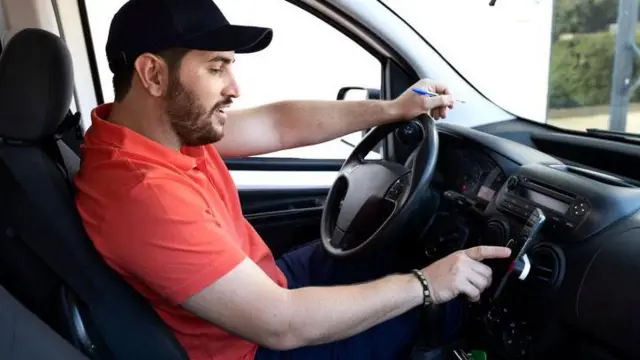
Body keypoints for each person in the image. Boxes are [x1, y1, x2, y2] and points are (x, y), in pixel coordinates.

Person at [74, 0, 512, 359]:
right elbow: (280, 325)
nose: (235, 87)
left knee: (390, 254)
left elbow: (277, 124)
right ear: (153, 74)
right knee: (446, 310)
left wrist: (393, 109)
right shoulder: (143, 193)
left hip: (269, 285)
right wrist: (427, 284)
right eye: (216, 68)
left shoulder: (150, 132)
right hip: (254, 346)